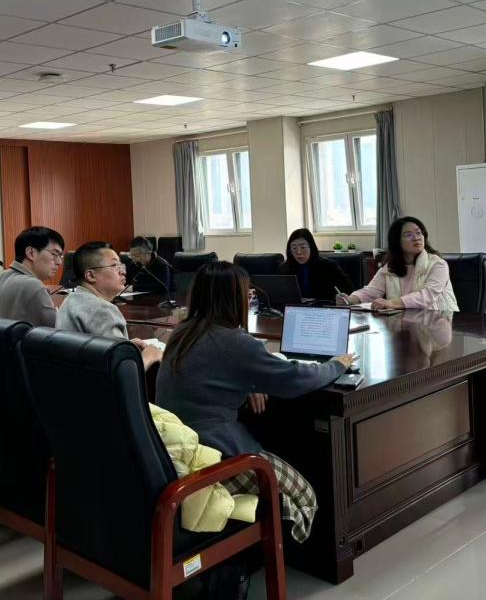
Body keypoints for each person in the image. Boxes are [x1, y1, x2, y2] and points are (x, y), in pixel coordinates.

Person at [156, 261, 356, 546]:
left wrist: (249, 382)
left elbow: (217, 373)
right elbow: (295, 379)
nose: (250, 296)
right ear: (233, 297)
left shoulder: (182, 332)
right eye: (246, 292)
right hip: (215, 454)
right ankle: (290, 552)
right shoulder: (233, 342)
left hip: (178, 449)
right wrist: (337, 364)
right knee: (304, 495)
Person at [56, 241, 162, 369]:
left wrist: (125, 346)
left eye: (121, 265)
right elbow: (123, 372)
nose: (123, 272)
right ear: (91, 275)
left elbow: (96, 351)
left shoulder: (71, 300)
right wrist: (150, 356)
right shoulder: (102, 310)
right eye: (114, 265)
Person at [337, 216, 458, 312]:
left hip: (440, 323)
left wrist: (390, 303)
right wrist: (350, 299)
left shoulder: (438, 265)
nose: (416, 238)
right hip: (405, 323)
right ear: (397, 242)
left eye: (418, 233)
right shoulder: (390, 267)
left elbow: (427, 296)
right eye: (408, 235)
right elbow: (371, 291)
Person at [0, 226, 64, 327]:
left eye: (60, 256)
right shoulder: (33, 285)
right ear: (31, 253)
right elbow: (57, 328)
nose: (59, 262)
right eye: (54, 254)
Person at [279, 228, 354, 302]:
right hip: (294, 308)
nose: (298, 252)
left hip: (324, 307)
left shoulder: (329, 266)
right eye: (294, 248)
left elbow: (350, 291)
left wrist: (340, 298)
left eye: (303, 247)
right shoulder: (284, 268)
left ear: (311, 247)